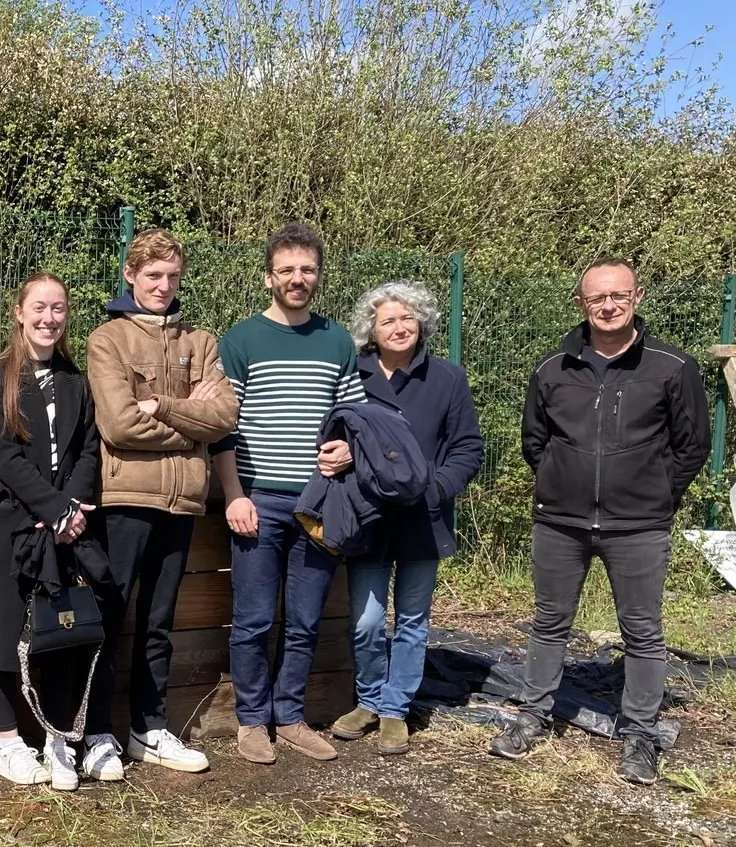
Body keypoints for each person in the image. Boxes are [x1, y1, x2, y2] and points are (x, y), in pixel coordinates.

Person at [489, 258, 711, 784]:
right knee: (548, 623)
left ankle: (638, 734)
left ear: (636, 297)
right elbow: (534, 441)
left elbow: (692, 444)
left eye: (618, 296)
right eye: (597, 298)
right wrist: (559, 481)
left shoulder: (670, 367)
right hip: (560, 523)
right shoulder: (552, 368)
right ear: (581, 305)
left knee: (642, 630)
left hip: (638, 525)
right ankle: (533, 715)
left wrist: (655, 493)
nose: (608, 306)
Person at [87, 228, 239, 772]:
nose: (163, 285)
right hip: (125, 499)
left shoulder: (201, 340)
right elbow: (120, 425)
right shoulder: (108, 340)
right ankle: (97, 733)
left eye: (172, 276)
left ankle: (149, 730)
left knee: (158, 624)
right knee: (109, 619)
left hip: (183, 503)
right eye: (153, 275)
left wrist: (162, 407)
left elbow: (225, 416)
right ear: (130, 276)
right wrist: (189, 421)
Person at [213, 222, 364, 765]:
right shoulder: (241, 339)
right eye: (287, 270)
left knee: (304, 619)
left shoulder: (337, 340)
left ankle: (291, 715)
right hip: (257, 498)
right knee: (254, 619)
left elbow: (352, 418)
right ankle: (253, 722)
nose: (297, 279)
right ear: (268, 278)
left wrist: (345, 452)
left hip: (320, 502)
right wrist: (234, 494)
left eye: (307, 269)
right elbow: (223, 426)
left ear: (318, 275)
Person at [0, 273, 114, 791]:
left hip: (63, 527)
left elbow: (86, 450)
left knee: (58, 631)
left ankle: (58, 736)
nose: (48, 318)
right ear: (19, 312)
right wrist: (52, 509)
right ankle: (9, 744)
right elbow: (5, 457)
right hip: (12, 525)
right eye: (39, 307)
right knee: (2, 630)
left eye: (58, 308)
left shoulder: (76, 381)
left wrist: (71, 510)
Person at [329, 283, 483, 755]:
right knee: (368, 621)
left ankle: (395, 708)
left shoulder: (447, 378)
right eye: (387, 321)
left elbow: (467, 448)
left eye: (407, 318)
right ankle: (368, 699)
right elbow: (334, 435)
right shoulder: (351, 376)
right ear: (370, 332)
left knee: (413, 619)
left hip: (423, 521)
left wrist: (434, 489)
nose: (399, 327)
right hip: (368, 518)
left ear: (422, 324)